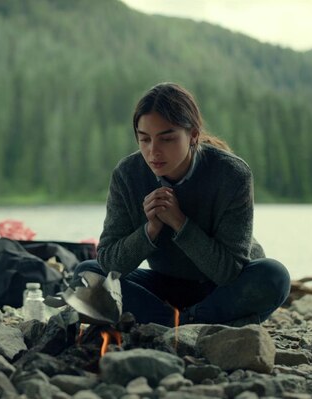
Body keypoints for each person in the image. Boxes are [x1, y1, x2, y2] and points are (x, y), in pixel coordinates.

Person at [73, 82, 290, 327]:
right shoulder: (128, 174)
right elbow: (109, 262)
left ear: (193, 135)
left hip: (224, 288)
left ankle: (172, 323)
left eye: (167, 139)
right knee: (86, 275)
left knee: (275, 276)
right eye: (144, 139)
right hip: (164, 286)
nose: (153, 151)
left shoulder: (232, 174)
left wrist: (179, 222)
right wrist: (150, 230)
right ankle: (186, 324)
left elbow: (228, 271)